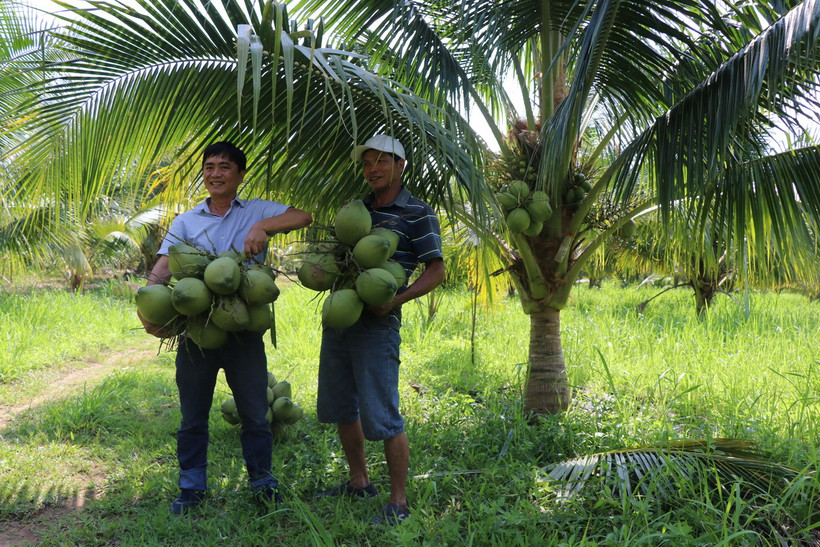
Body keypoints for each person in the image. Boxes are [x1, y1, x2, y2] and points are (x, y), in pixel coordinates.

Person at [138, 141, 312, 515]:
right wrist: (146, 306)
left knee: (255, 414)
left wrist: (262, 226)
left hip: (243, 331)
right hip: (197, 332)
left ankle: (263, 484)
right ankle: (191, 488)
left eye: (225, 167)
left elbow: (303, 217)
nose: (215, 173)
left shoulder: (257, 210)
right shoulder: (186, 221)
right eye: (210, 167)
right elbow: (164, 267)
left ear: (240, 174)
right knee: (193, 415)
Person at [316, 134, 446, 525]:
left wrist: (395, 299)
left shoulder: (418, 212)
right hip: (341, 317)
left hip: (378, 323)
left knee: (383, 414)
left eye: (381, 161)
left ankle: (399, 503)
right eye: (366, 163)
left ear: (400, 166)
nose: (372, 169)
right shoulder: (358, 210)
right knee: (342, 406)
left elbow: (436, 270)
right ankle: (359, 482)